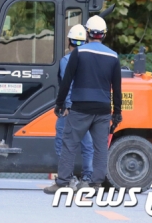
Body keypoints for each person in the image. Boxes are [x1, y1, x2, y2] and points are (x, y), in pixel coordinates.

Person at [44, 15, 122, 194]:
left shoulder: (79, 53)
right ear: (103, 35)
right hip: (103, 109)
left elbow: (67, 81)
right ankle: (95, 184)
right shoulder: (113, 56)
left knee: (69, 143)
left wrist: (60, 104)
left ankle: (62, 182)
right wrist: (117, 113)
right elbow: (117, 88)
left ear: (88, 33)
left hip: (80, 107)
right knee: (100, 147)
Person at [52, 24, 93, 187]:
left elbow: (67, 84)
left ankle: (66, 177)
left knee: (62, 138)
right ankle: (88, 178)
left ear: (69, 41)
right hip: (87, 106)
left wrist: (67, 105)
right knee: (87, 142)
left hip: (72, 107)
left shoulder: (67, 60)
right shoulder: (90, 58)